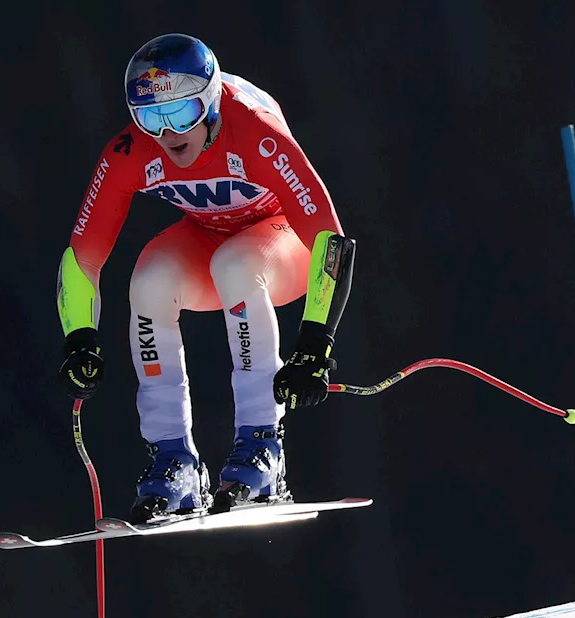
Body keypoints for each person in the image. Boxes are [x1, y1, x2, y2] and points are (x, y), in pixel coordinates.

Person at [55, 33, 356, 521]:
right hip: (211, 235)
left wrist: (316, 342)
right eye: (152, 117)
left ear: (212, 101)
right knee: (150, 281)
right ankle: (173, 460)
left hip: (280, 243)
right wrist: (79, 339)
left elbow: (329, 241)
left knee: (236, 266)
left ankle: (263, 449)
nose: (170, 133)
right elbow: (82, 257)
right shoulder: (131, 152)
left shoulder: (253, 131)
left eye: (183, 114)